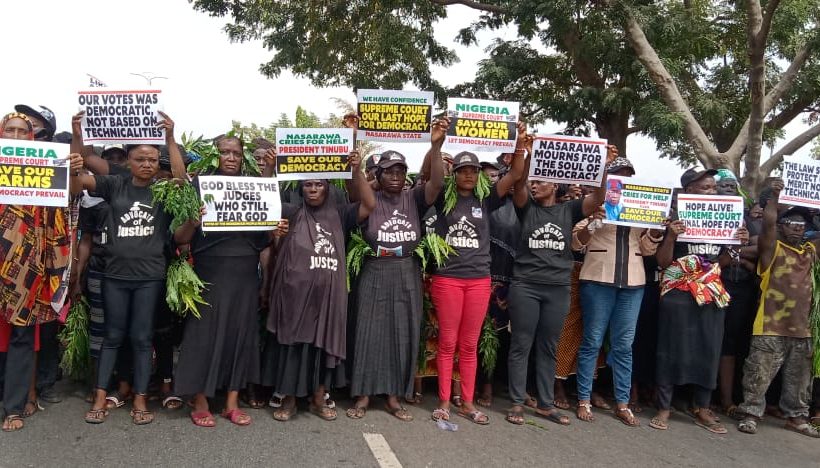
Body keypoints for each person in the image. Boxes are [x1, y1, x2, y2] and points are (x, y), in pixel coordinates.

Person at [69, 112, 189, 426]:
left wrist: (171, 138)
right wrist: (77, 137)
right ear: (130, 161)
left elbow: (180, 176)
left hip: (150, 277)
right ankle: (100, 396)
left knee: (141, 337)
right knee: (112, 336)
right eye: (140, 159)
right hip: (114, 276)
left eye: (152, 159)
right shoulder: (114, 184)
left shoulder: (164, 191)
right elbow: (76, 183)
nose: (147, 164)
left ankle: (139, 398)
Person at [504, 142, 614, 426]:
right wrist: (527, 155)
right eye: (534, 181)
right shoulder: (526, 208)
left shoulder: (569, 210)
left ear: (555, 186)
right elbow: (518, 185)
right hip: (525, 285)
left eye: (541, 181)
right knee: (521, 344)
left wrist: (604, 166)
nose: (535, 184)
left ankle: (544, 404)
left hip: (557, 288)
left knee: (549, 346)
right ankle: (517, 402)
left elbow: (599, 197)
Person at [173, 137, 278, 427]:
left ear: (242, 158)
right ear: (215, 156)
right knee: (202, 337)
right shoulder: (200, 185)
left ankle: (231, 402)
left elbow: (264, 237)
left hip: (244, 274)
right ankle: (200, 400)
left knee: (241, 336)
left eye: (236, 153)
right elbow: (180, 238)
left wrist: (268, 174)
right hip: (209, 274)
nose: (230, 157)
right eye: (224, 152)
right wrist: (194, 221)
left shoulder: (252, 186)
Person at [346, 119, 446, 421]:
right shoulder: (370, 198)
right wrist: (353, 148)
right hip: (375, 269)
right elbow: (356, 184)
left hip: (406, 271)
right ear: (378, 174)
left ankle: (393, 396)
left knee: (402, 331)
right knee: (369, 332)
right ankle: (362, 395)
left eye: (401, 170)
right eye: (389, 170)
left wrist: (436, 146)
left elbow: (437, 183)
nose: (396, 176)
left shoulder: (413, 197)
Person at [263, 152, 375, 422]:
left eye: (319, 184)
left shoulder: (341, 214)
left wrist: (357, 170)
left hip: (328, 296)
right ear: (301, 189)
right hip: (294, 295)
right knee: (292, 347)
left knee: (323, 346)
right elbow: (265, 202)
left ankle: (317, 399)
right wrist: (268, 170)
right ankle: (289, 400)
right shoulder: (291, 212)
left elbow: (369, 204)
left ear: (328, 188)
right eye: (308, 185)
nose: (313, 189)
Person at [428, 132, 526, 425]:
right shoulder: (443, 196)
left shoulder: (487, 199)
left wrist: (519, 144)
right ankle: (445, 401)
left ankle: (467, 403)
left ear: (479, 174)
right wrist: (436, 145)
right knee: (448, 343)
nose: (468, 175)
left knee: (469, 345)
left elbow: (517, 173)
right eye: (462, 170)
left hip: (478, 281)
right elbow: (433, 177)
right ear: (455, 174)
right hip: (447, 279)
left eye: (473, 170)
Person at [649, 168, 749, 434]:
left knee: (709, 347)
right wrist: (671, 234)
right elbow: (661, 262)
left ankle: (702, 407)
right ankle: (664, 406)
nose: (711, 191)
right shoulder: (674, 218)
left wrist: (736, 244)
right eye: (705, 188)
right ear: (689, 191)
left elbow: (722, 262)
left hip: (711, 292)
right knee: (671, 348)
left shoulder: (723, 219)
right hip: (677, 292)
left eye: (713, 187)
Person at [574, 157, 664, 427]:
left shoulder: (641, 208)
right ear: (609, 178)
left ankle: (622, 403)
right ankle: (583, 399)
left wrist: (656, 231)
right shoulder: (595, 206)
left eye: (628, 175)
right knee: (592, 341)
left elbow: (648, 250)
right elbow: (576, 242)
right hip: (597, 279)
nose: (623, 179)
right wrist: (595, 222)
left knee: (624, 346)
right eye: (618, 175)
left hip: (633, 283)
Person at [0, 112, 72, 432]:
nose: (15, 135)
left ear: (31, 138)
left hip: (25, 268)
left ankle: (13, 407)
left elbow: (60, 214)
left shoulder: (45, 169)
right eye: (9, 130)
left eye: (21, 131)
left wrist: (69, 171)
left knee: (21, 336)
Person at [736, 182, 820, 438]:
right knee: (759, 373)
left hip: (803, 330)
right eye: (791, 223)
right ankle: (751, 413)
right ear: (782, 226)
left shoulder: (810, 253)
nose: (797, 227)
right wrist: (774, 197)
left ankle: (796, 417)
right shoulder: (772, 250)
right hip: (770, 326)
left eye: (801, 224)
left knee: (800, 380)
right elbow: (769, 224)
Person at [713, 169, 759, 416]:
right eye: (724, 186)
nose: (729, 190)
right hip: (710, 283)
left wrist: (739, 248)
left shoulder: (747, 221)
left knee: (730, 342)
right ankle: (696, 397)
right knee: (707, 338)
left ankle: (727, 400)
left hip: (740, 288)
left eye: (733, 186)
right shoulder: (704, 215)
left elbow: (762, 246)